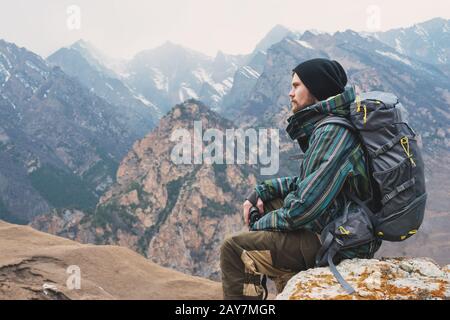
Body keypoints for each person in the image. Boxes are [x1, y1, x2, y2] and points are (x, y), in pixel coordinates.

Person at [219, 58, 382, 300]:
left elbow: (303, 209)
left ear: (316, 88)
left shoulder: (332, 133)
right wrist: (262, 192)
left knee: (233, 248)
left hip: (339, 239)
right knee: (271, 205)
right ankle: (286, 281)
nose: (290, 93)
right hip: (337, 220)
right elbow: (309, 181)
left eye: (296, 86)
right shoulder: (330, 125)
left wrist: (258, 223)